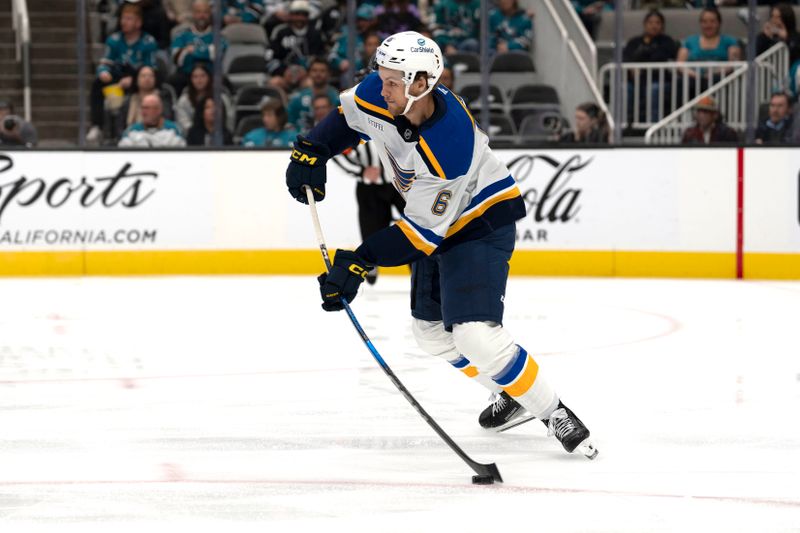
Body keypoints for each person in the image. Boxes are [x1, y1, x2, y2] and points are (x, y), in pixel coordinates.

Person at [284, 31, 597, 459]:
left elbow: (418, 236)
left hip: (479, 222)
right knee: (431, 334)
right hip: (434, 220)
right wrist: (311, 150)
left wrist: (358, 262)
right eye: (381, 75)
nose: (381, 85)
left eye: (392, 80)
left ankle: (553, 412)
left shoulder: (449, 142)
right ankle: (512, 394)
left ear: (420, 84)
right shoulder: (385, 89)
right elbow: (349, 117)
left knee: (475, 335)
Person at [87, 3, 159, 144]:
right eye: (123, 18)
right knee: (97, 84)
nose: (124, 22)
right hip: (117, 77)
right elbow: (105, 62)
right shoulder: (114, 40)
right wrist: (103, 72)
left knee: (146, 77)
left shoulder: (148, 42)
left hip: (139, 77)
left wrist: (134, 79)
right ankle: (97, 126)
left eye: (129, 19)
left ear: (138, 23)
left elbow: (151, 68)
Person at [622, 9, 679, 124]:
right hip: (636, 82)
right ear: (645, 24)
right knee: (624, 88)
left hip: (659, 81)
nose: (654, 26)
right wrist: (632, 67)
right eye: (650, 22)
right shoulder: (634, 42)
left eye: (657, 23)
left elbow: (660, 57)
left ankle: (653, 124)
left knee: (653, 89)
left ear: (662, 25)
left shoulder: (667, 42)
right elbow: (626, 58)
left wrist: (641, 60)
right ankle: (625, 124)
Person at [676, 7, 741, 94]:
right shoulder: (689, 41)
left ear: (719, 23)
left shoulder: (730, 41)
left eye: (712, 21)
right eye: (704, 21)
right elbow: (680, 64)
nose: (708, 25)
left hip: (719, 81)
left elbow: (733, 63)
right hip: (692, 80)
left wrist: (713, 73)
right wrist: (696, 75)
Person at [169, 0, 228, 96]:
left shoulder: (218, 36)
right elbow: (177, 59)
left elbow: (216, 54)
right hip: (186, 74)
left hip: (211, 75)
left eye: (205, 12)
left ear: (210, 14)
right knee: (172, 81)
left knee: (225, 83)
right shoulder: (181, 35)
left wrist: (192, 50)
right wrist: (206, 51)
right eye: (198, 12)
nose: (202, 16)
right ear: (193, 14)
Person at [116, 65, 175, 139]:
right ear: (136, 79)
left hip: (161, 138)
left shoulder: (163, 98)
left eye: (151, 76)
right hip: (132, 139)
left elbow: (168, 120)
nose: (147, 78)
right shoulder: (128, 100)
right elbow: (120, 126)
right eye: (143, 76)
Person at [174, 62, 232, 133]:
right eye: (195, 77)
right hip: (192, 138)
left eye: (203, 76)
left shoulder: (221, 98)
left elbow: (229, 121)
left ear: (209, 78)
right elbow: (183, 123)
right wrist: (198, 133)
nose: (199, 80)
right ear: (190, 79)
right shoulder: (184, 101)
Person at [286, 58, 341, 132]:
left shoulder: (337, 98)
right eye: (314, 70)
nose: (318, 74)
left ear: (329, 74)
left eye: (322, 71)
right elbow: (289, 122)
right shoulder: (297, 98)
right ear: (309, 73)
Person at [118, 93, 186, 147]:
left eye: (147, 108)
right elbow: (122, 151)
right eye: (143, 108)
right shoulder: (132, 130)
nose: (143, 112)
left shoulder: (173, 129)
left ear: (159, 110)